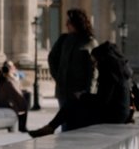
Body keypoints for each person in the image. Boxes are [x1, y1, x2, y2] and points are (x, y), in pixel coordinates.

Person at [29, 8, 96, 137]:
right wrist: (58, 77)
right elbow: (52, 58)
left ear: (77, 23)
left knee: (77, 125)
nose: (66, 25)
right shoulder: (64, 39)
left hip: (80, 92)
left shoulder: (89, 42)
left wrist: (87, 91)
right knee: (66, 123)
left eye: (69, 22)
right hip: (64, 90)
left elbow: (93, 71)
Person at [0, 61, 29, 133]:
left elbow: (23, 80)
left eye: (11, 66)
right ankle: (19, 126)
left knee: (22, 104)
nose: (10, 68)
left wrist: (13, 77)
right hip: (5, 102)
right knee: (20, 105)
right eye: (8, 66)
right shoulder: (4, 78)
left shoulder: (13, 76)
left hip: (9, 100)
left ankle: (21, 126)